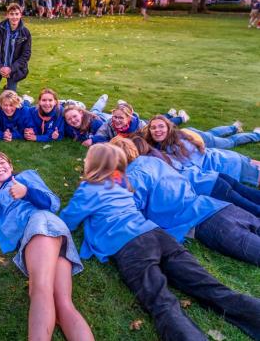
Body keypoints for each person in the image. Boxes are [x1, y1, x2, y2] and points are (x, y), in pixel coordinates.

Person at [60, 143, 260, 341]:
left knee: (161, 303)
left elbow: (69, 219)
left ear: (92, 163)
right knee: (209, 286)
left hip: (130, 246)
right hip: (157, 235)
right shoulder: (121, 180)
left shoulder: (88, 188)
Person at [0, 151, 94, 341]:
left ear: (11, 167)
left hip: (41, 226)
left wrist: (26, 192)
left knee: (39, 290)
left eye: (3, 162)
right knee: (63, 305)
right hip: (46, 237)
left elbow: (52, 203)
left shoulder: (24, 178)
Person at [112, 137, 260, 265]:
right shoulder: (153, 161)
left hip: (204, 223)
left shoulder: (132, 177)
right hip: (218, 206)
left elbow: (127, 213)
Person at [129, 134, 260, 216]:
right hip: (214, 176)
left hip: (209, 187)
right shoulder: (163, 155)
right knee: (249, 193)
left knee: (248, 206)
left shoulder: (148, 167)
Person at [145, 115, 260, 187]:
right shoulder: (170, 141)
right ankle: (243, 130)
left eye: (161, 126)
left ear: (168, 128)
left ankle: (254, 134)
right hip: (226, 158)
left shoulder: (176, 144)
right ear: (149, 131)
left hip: (228, 165)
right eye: (153, 128)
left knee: (232, 144)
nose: (157, 130)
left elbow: (191, 169)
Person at [0, 3, 32, 92]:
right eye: (11, 14)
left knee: (11, 97)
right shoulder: (0, 27)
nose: (14, 17)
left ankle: (8, 87)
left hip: (13, 69)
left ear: (21, 15)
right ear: (7, 15)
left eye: (17, 14)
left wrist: (11, 69)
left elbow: (26, 55)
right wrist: (0, 67)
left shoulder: (25, 32)